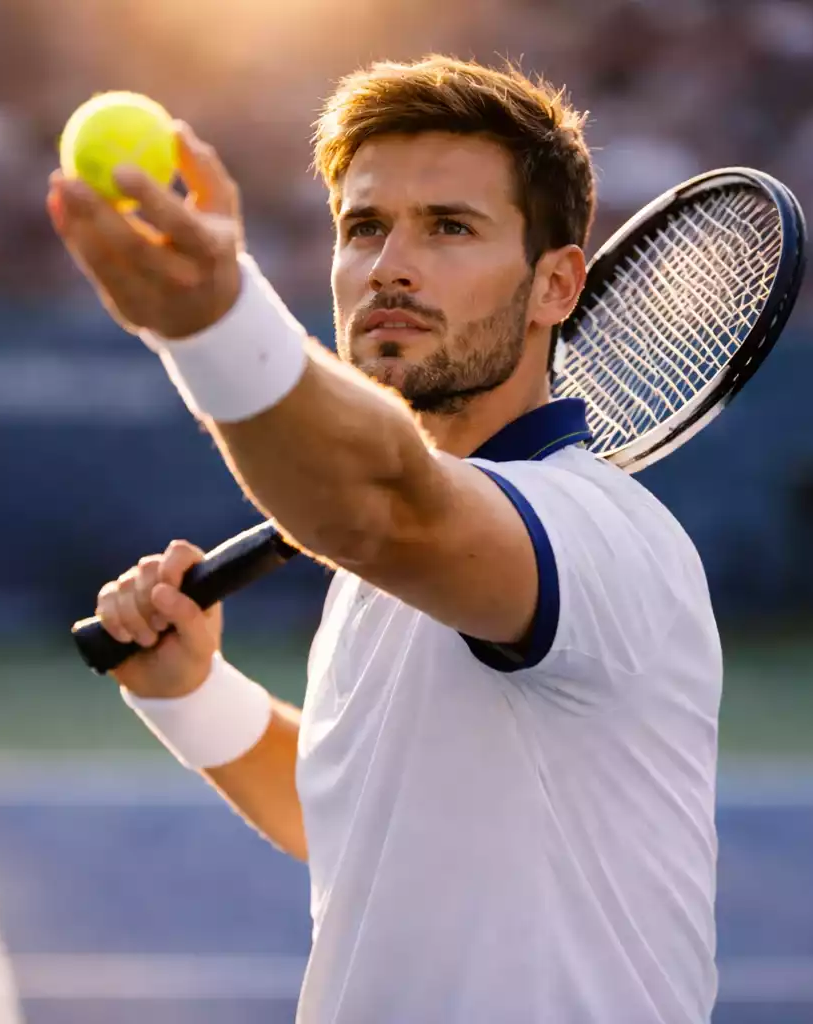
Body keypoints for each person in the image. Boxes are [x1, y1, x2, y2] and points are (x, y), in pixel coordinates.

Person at [47, 55, 722, 1024]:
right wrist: (191, 694)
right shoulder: (377, 571)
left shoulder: (598, 531)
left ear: (557, 285)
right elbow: (354, 819)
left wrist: (213, 320)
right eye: (364, 227)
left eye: (449, 226)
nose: (389, 264)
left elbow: (382, 503)